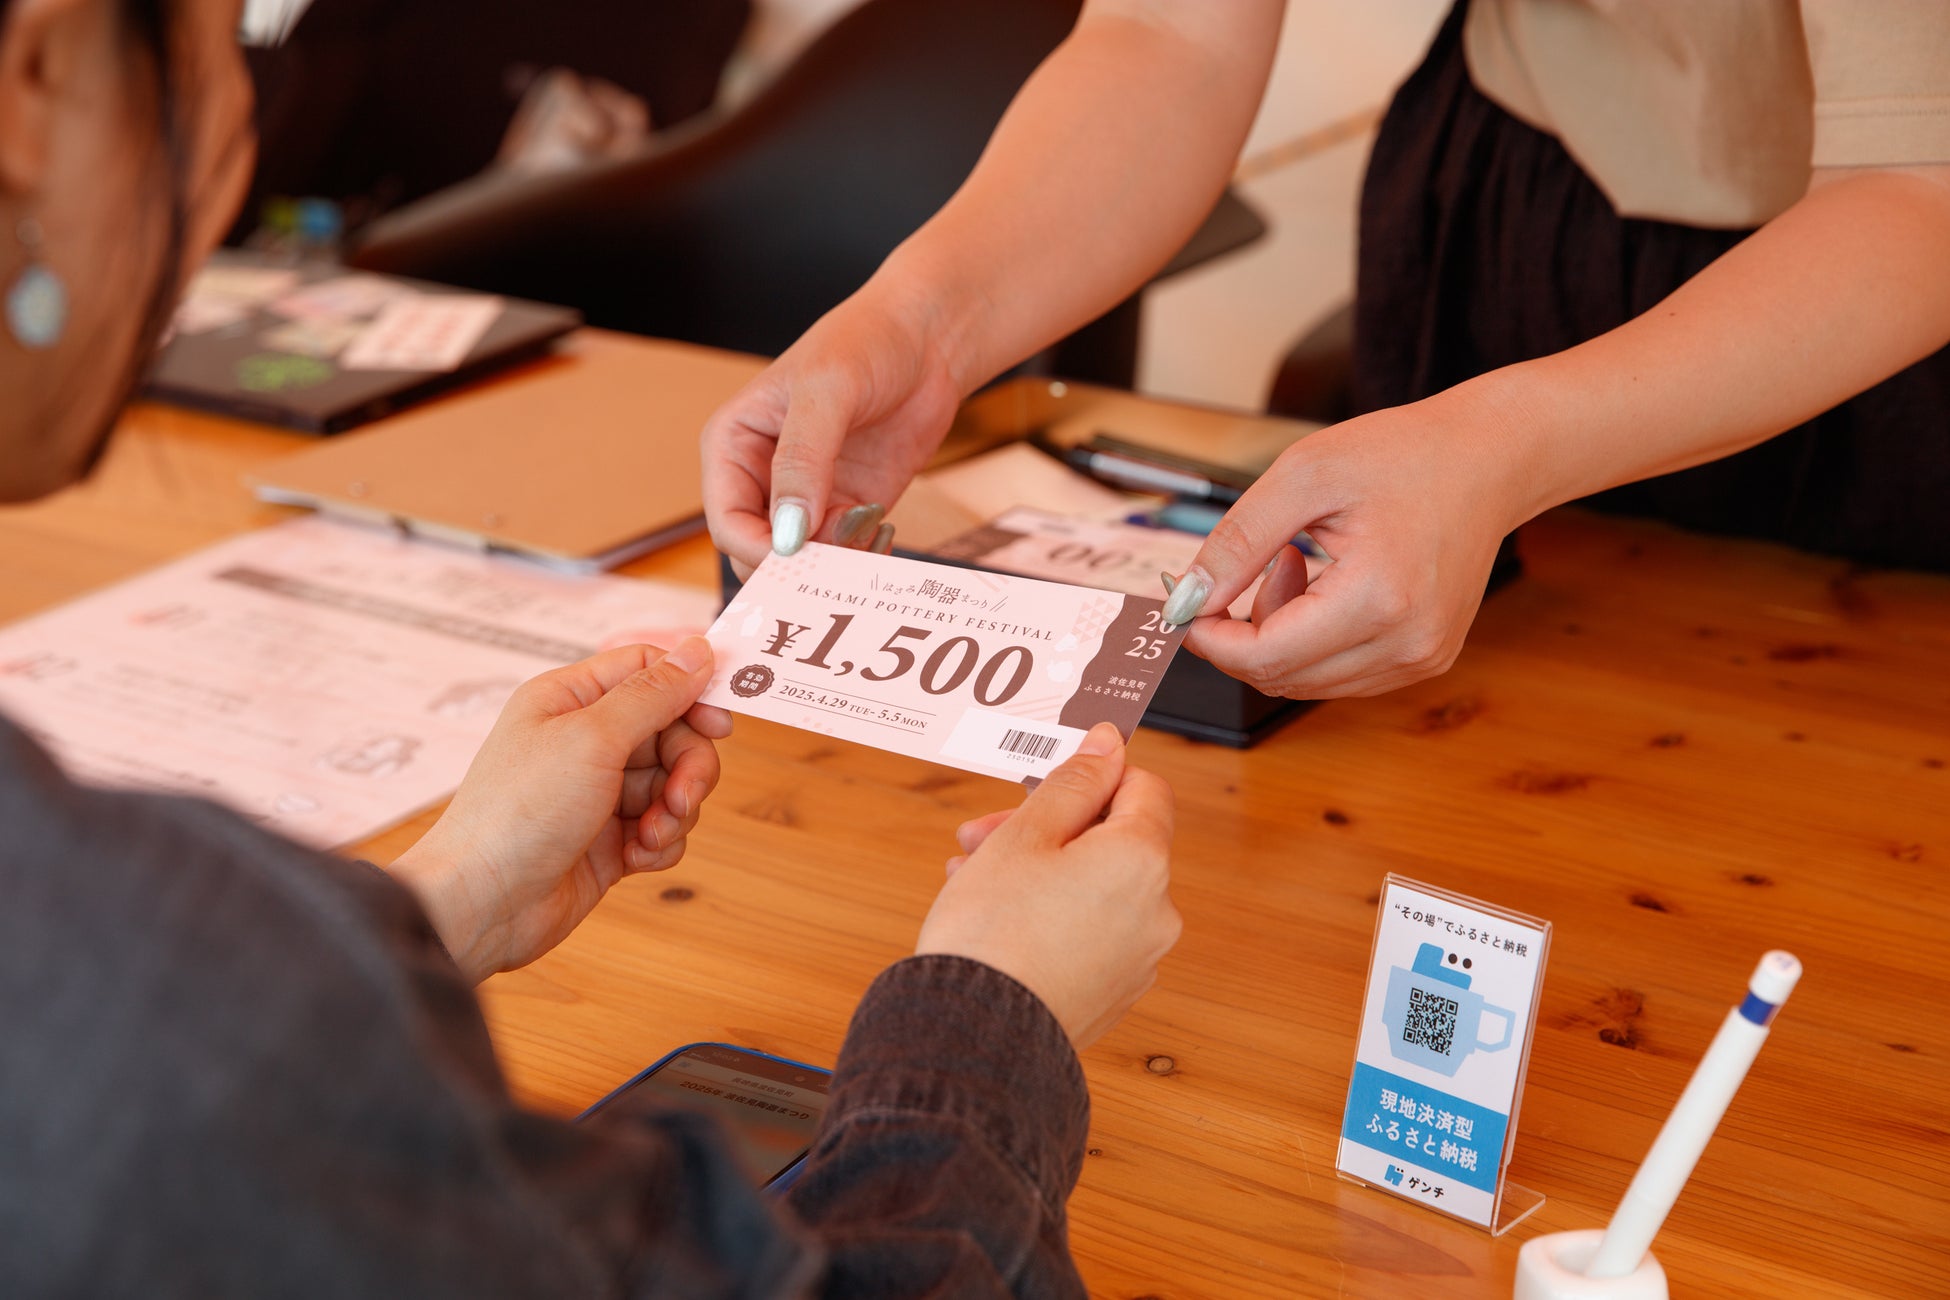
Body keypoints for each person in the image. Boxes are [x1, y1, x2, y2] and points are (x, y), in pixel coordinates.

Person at [0, 1, 1180, 1294]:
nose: (242, 105)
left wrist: (449, 895)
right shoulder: (141, 978)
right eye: (226, 29)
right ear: (38, 76)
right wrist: (996, 1013)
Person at [700, 0, 1950, 702]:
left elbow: (1921, 184)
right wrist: (924, 324)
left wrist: (1499, 448)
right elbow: (1172, 37)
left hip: (1876, 321)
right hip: (1522, 204)